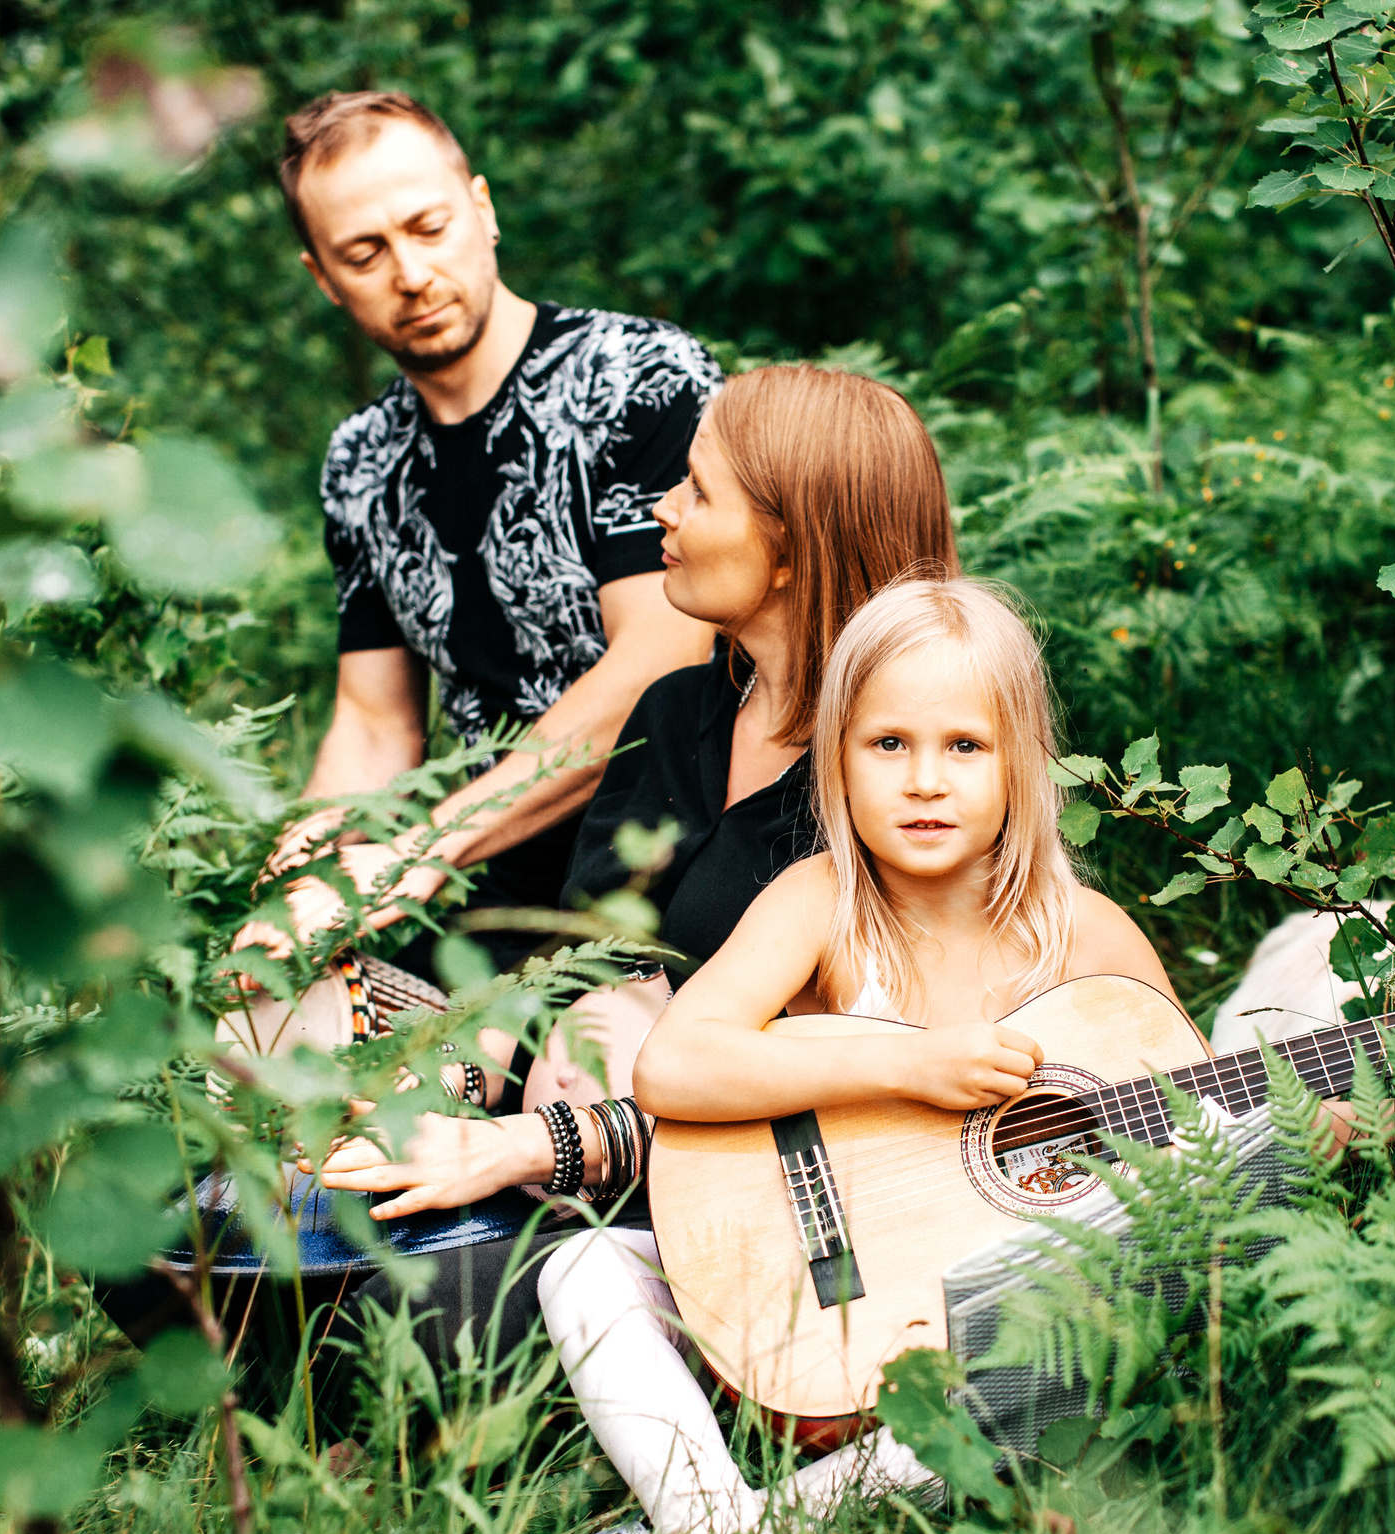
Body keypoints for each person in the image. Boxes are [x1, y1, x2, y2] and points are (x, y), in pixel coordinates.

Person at [301, 366, 961, 1372]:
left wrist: (534, 1144)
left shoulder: (901, 787)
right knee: (242, 1199)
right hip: (544, 1152)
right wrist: (432, 1079)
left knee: (395, 1318)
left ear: (790, 548)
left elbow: (844, 1101)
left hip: (734, 1212)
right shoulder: (675, 715)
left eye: (699, 491)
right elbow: (575, 980)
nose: (663, 508)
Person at [533, 578, 1181, 1534]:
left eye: (964, 746)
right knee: (582, 1269)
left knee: (1035, 1371)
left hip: (962, 1357)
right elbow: (673, 1064)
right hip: (796, 1294)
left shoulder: (1086, 939)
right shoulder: (820, 901)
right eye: (888, 744)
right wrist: (908, 1062)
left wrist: (1365, 1119)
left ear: (1021, 759)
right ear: (836, 758)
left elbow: (1206, 1134)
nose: (924, 781)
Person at [233, 89, 722, 1002]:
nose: (412, 273)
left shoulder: (640, 378)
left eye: (430, 227)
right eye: (365, 254)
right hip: (484, 880)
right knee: (274, 1028)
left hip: (678, 850)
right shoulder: (360, 460)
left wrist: (419, 851)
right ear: (322, 277)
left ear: (483, 209)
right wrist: (296, 878)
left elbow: (659, 664)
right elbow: (375, 724)